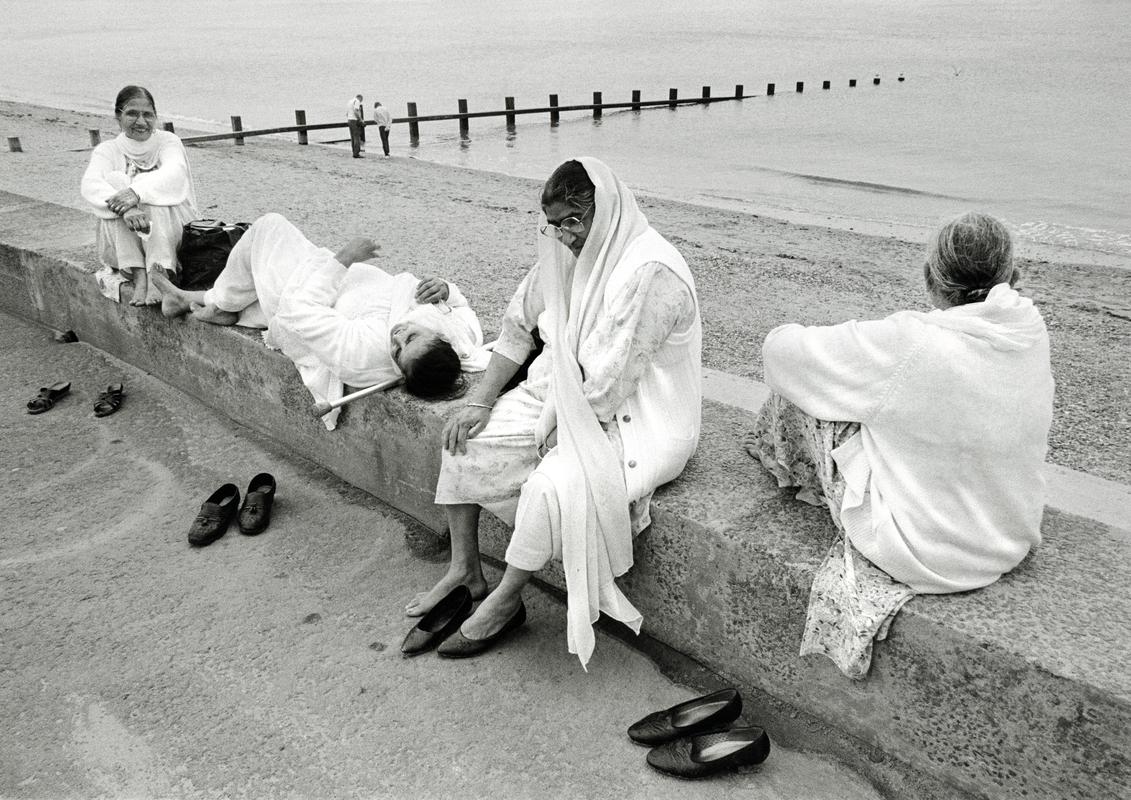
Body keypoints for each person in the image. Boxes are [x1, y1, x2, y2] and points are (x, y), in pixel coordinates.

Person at [410, 158, 702, 667]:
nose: (564, 235)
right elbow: (518, 329)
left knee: (554, 483)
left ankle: (505, 599)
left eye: (574, 220)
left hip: (636, 418)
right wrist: (482, 399)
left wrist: (552, 427)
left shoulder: (649, 272)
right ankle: (465, 570)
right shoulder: (564, 252)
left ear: (606, 211)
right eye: (555, 222)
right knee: (465, 438)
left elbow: (612, 385)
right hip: (558, 395)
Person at [744, 211, 1054, 678]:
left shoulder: (912, 343)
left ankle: (785, 469)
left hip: (926, 553)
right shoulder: (1029, 327)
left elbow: (780, 351)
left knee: (816, 391)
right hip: (1008, 534)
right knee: (883, 401)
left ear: (931, 279)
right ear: (1012, 277)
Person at [153, 213, 488, 429]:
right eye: (411, 337)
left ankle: (218, 302)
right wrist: (445, 289)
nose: (397, 336)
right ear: (441, 340)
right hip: (334, 282)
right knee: (254, 287)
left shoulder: (364, 352)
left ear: (399, 369)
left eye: (397, 351)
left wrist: (343, 260)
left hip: (300, 294)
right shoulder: (459, 337)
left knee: (270, 226)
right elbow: (461, 308)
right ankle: (193, 298)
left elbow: (300, 313)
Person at [80, 85, 198, 306]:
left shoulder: (167, 141)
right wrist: (127, 208)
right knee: (115, 181)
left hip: (171, 230)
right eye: (132, 113)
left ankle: (158, 272)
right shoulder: (108, 149)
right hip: (123, 239)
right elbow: (90, 183)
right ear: (118, 116)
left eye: (148, 115)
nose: (141, 122)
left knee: (152, 198)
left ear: (155, 116)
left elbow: (175, 172)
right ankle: (138, 273)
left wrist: (136, 194)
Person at [347, 93, 366, 158]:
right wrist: (360, 120)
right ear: (360, 98)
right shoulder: (357, 101)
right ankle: (356, 153)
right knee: (357, 137)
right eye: (361, 101)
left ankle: (354, 151)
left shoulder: (350, 101)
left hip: (349, 120)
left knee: (352, 137)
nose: (360, 102)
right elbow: (356, 111)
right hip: (354, 120)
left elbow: (347, 113)